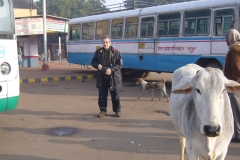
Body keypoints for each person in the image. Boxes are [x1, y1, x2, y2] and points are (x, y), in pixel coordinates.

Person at [91, 35, 123, 118]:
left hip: (113, 77)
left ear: (110, 42)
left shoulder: (116, 52)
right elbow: (93, 62)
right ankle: (103, 110)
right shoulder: (98, 52)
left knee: (115, 95)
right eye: (104, 42)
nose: (105, 44)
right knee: (102, 95)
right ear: (102, 43)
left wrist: (111, 70)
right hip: (102, 78)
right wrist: (97, 65)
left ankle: (117, 111)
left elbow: (119, 64)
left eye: (107, 42)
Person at [224, 29, 240, 143]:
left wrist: (234, 84)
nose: (226, 40)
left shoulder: (234, 49)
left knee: (236, 110)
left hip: (236, 85)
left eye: (227, 38)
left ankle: (238, 135)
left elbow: (236, 68)